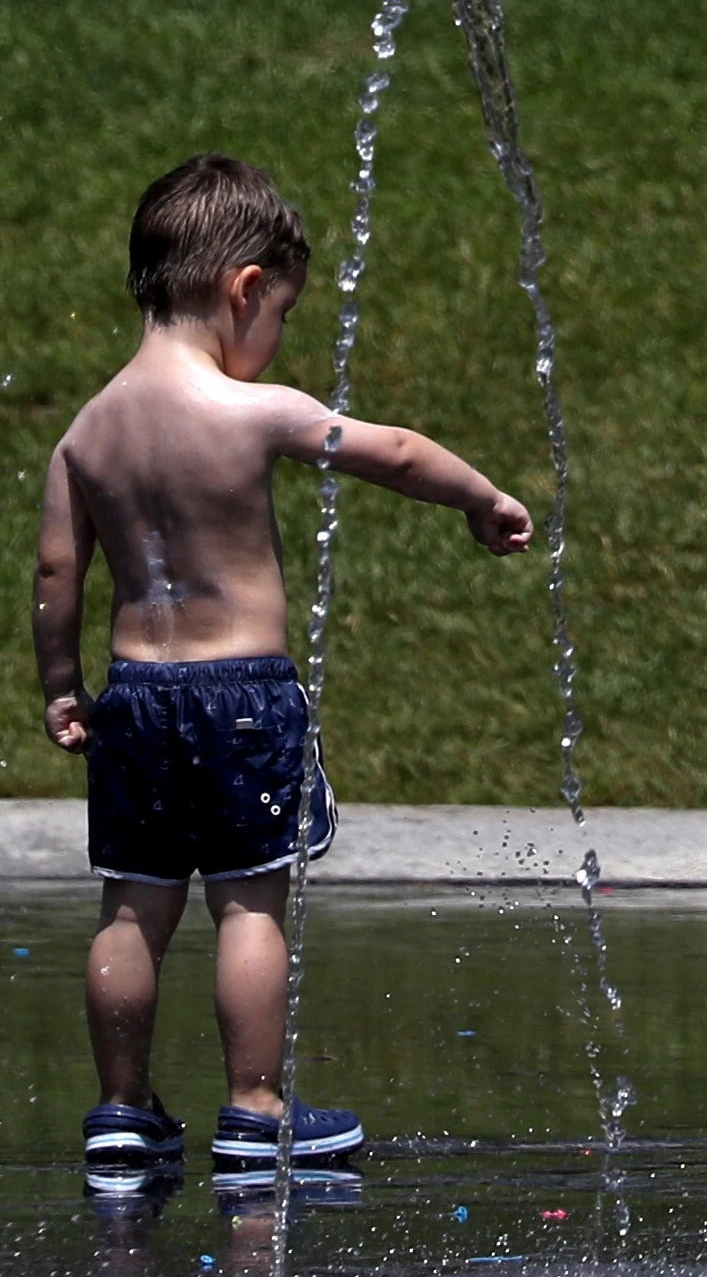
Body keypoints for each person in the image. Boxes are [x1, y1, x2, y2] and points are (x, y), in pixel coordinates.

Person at [34, 154, 533, 1179]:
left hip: (135, 695)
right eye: (284, 315)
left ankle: (123, 1112)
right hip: (243, 700)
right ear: (245, 290)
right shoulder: (248, 413)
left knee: (131, 907)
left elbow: (55, 570)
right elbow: (389, 450)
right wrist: (481, 498)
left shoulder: (85, 435)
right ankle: (256, 1110)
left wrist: (58, 686)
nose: (279, 339)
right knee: (249, 903)